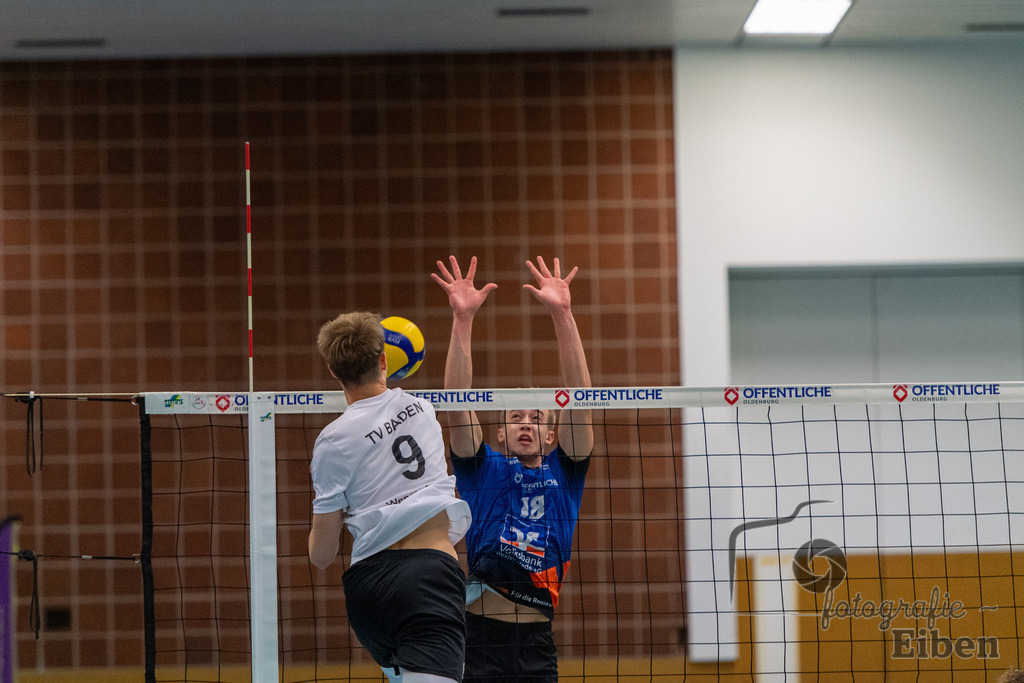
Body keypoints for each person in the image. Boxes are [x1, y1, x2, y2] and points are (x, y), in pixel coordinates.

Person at [431, 255, 594, 682]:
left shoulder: (568, 469)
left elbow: (580, 398)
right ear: (499, 432)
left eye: (537, 418)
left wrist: (563, 314)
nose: (527, 422)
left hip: (537, 645)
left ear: (551, 435)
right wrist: (462, 320)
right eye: (516, 416)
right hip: (479, 637)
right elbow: (455, 404)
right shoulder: (481, 467)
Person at [308, 311, 472, 683]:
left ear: (333, 372)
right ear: (384, 361)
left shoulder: (331, 441)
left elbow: (321, 556)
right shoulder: (423, 409)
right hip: (427, 578)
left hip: (368, 588)